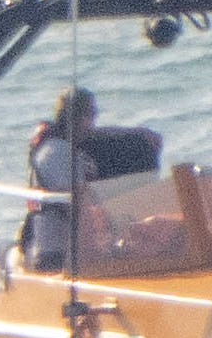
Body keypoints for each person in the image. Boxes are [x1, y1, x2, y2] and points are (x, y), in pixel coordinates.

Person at [23, 89, 164, 274]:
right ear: (76, 117)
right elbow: (81, 209)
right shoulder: (55, 153)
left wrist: (141, 135)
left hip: (81, 249)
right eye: (91, 115)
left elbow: (102, 133)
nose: (93, 123)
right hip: (58, 255)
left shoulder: (70, 145)